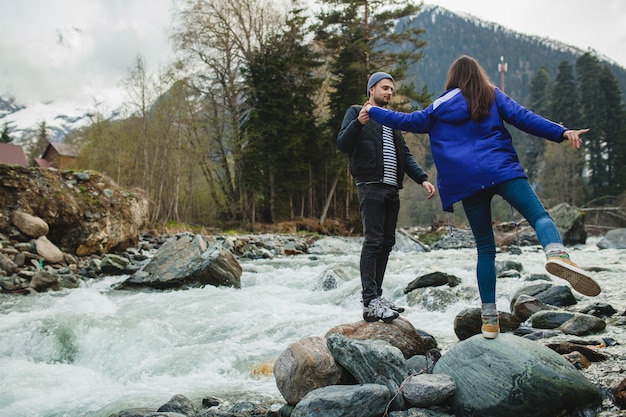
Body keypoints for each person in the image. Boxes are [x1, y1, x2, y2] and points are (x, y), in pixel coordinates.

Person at [363, 55, 601, 338]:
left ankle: (489, 321)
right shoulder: (491, 95)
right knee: (539, 215)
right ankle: (557, 253)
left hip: (466, 183)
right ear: (478, 74)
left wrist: (373, 111)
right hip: (502, 170)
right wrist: (561, 132)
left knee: (486, 249)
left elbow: (409, 121)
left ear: (452, 78)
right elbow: (526, 119)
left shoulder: (439, 106)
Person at [337, 72, 436, 323]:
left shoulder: (391, 121)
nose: (389, 92)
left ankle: (377, 297)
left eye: (392, 89)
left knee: (387, 242)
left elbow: (405, 154)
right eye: (385, 88)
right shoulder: (356, 112)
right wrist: (358, 123)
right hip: (370, 186)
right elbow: (342, 144)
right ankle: (370, 301)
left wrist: (422, 179)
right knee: (373, 241)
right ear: (372, 89)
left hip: (392, 189)